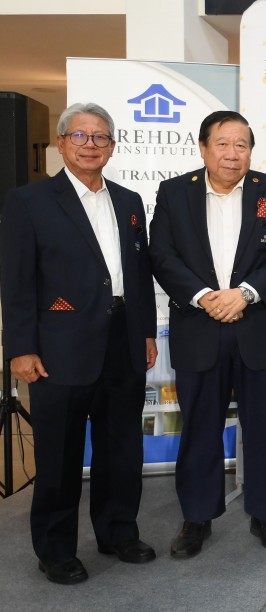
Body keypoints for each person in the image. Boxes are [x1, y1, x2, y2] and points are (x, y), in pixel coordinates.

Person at [1, 102, 158, 584]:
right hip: (58, 348)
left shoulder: (130, 201)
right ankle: (56, 550)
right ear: (62, 143)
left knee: (121, 449)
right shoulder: (29, 202)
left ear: (112, 147)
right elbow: (18, 281)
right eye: (81, 136)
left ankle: (117, 532)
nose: (91, 145)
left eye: (101, 138)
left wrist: (148, 331)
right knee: (60, 455)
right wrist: (19, 348)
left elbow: (139, 271)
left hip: (123, 342)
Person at [149, 110, 266, 558]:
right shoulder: (175, 193)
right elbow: (161, 254)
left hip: (261, 329)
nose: (233, 154)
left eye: (242, 145)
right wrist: (203, 296)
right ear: (203, 147)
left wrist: (246, 294)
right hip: (199, 327)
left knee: (262, 428)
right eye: (223, 144)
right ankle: (196, 519)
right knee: (199, 428)